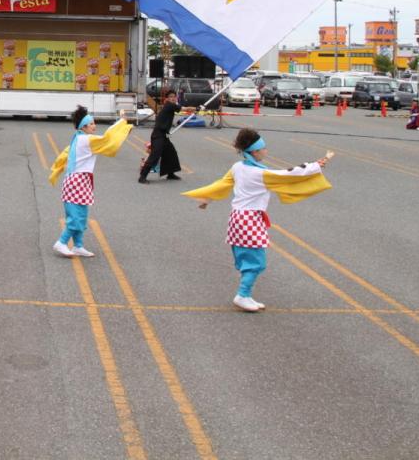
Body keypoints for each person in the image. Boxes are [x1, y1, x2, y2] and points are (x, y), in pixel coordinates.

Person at [183, 128, 333, 312]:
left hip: (238, 218)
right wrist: (317, 165)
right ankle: (242, 295)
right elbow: (289, 175)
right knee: (256, 262)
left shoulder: (238, 167)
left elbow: (222, 183)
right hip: (249, 219)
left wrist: (207, 199)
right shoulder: (260, 174)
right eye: (264, 148)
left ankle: (245, 295)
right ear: (255, 152)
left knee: (249, 259)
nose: (266, 151)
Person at [47, 106, 132, 257]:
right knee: (76, 216)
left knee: (81, 215)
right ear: (83, 127)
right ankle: (61, 242)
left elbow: (106, 140)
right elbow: (107, 139)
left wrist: (123, 127)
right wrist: (122, 123)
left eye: (94, 123)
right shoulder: (85, 140)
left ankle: (78, 246)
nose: (94, 126)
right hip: (76, 182)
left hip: (79, 181)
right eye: (91, 124)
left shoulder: (79, 138)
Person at [138, 90, 182, 184]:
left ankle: (170, 173)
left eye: (174, 96)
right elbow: (182, 108)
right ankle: (142, 177)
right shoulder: (169, 105)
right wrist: (197, 108)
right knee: (155, 156)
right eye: (170, 97)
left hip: (164, 135)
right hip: (158, 136)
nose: (173, 98)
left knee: (171, 153)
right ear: (167, 99)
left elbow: (179, 109)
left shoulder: (170, 106)